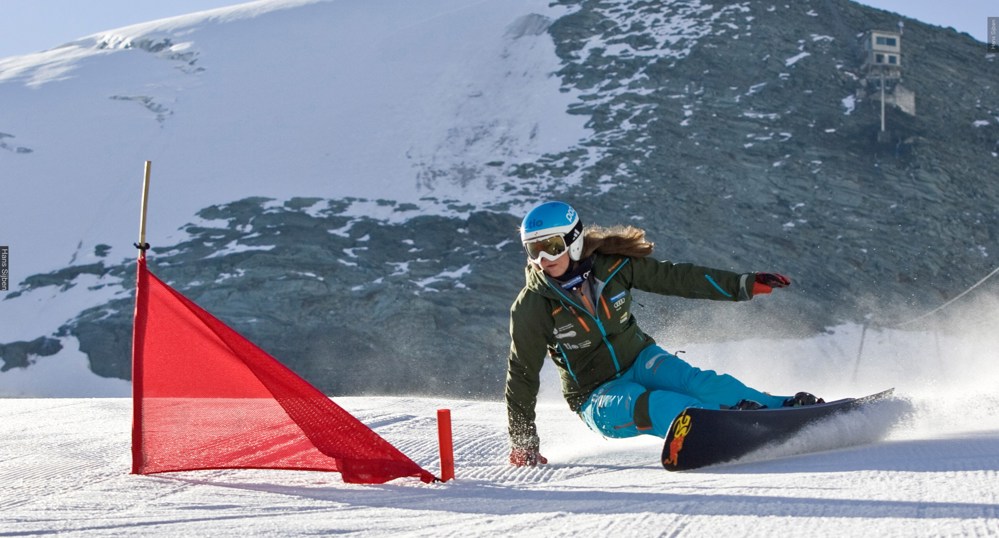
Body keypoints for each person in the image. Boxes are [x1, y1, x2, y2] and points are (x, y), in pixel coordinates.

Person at [505, 201, 823, 466]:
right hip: (595, 394)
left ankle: (783, 410)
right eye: (534, 251)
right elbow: (522, 374)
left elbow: (676, 278)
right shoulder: (533, 306)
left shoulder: (613, 267)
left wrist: (740, 285)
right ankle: (725, 429)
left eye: (551, 247)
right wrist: (523, 442)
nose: (543, 260)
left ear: (573, 241)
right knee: (658, 404)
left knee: (702, 384)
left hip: (641, 359)